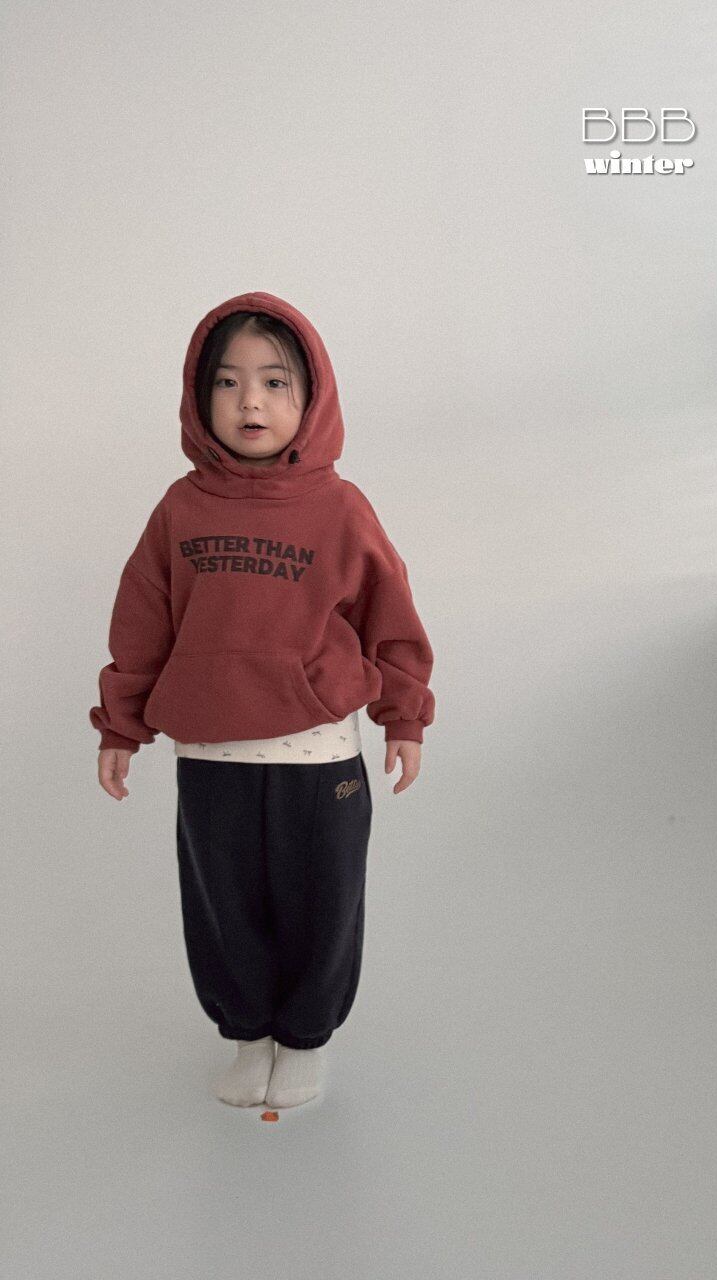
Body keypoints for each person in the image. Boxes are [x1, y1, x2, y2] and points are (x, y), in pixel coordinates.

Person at [90, 290, 436, 1111]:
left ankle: (306, 1038)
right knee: (224, 910)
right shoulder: (181, 509)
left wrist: (405, 717)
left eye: (276, 382)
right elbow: (142, 624)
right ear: (198, 396)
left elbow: (389, 617)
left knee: (322, 906)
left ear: (312, 399)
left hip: (320, 759)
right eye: (228, 382)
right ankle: (248, 1035)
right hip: (212, 756)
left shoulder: (341, 508)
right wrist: (120, 727)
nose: (250, 401)